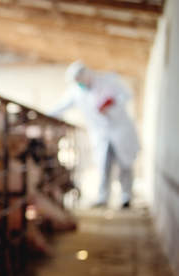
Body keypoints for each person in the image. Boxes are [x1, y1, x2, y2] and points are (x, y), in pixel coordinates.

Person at [50, 61, 140, 208]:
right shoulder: (76, 91)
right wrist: (44, 115)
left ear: (87, 74)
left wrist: (111, 104)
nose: (79, 83)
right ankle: (103, 198)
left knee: (125, 164)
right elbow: (61, 106)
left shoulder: (108, 80)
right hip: (101, 134)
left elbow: (126, 95)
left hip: (120, 130)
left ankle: (126, 198)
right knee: (103, 165)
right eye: (77, 81)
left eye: (80, 79)